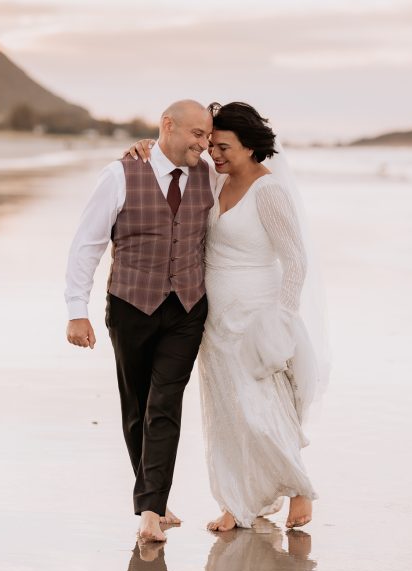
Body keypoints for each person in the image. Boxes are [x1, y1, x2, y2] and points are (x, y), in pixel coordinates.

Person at [127, 102, 329, 532]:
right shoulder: (214, 180)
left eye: (223, 147)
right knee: (225, 413)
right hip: (212, 316)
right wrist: (145, 146)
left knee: (264, 407)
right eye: (211, 145)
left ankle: (298, 488)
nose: (213, 154)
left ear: (250, 146)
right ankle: (237, 503)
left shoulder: (268, 191)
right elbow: (171, 160)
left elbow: (295, 261)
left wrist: (282, 321)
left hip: (257, 316)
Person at [64, 99, 214, 543]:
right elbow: (87, 244)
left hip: (188, 306)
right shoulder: (119, 175)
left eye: (208, 137)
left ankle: (149, 509)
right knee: (137, 406)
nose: (204, 145)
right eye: (198, 135)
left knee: (165, 403)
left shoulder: (210, 174)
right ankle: (155, 495)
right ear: (168, 126)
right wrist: (77, 310)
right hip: (130, 304)